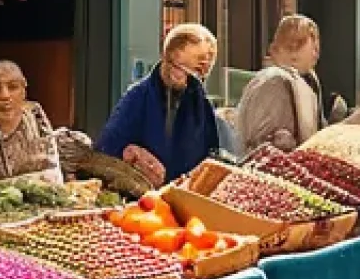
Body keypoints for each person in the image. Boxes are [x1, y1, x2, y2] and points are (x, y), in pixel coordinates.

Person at [96, 24, 219, 186]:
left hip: (185, 196)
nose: (184, 79)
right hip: (142, 199)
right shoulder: (138, 97)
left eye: (196, 74)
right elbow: (106, 150)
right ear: (166, 58)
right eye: (180, 69)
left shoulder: (200, 103)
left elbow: (212, 153)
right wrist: (131, 158)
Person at [236, 15, 328, 153]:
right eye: (314, 48)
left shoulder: (301, 83)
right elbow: (269, 147)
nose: (316, 55)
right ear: (294, 49)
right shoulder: (274, 81)